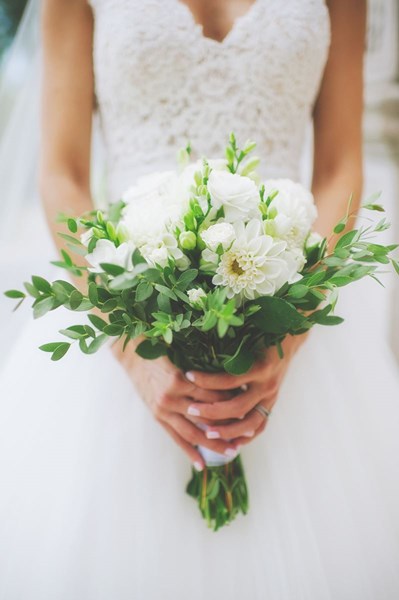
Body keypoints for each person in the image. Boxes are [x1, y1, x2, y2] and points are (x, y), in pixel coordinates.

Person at [0, 1, 398, 598]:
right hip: (123, 300)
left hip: (289, 288)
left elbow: (340, 166)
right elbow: (63, 172)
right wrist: (129, 344)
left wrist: (291, 328)